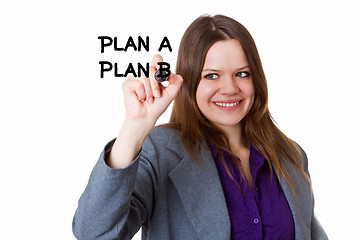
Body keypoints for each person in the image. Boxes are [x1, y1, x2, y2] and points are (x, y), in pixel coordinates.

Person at [72, 14, 328, 240]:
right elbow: (94, 233)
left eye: (242, 73)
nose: (230, 88)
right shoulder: (161, 153)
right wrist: (134, 129)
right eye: (211, 75)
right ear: (190, 81)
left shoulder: (291, 155)